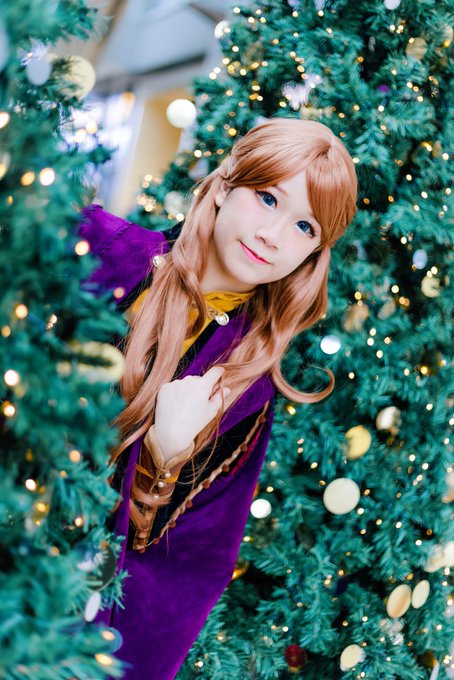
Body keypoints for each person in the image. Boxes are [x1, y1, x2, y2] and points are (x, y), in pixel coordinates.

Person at [77, 116, 358, 679]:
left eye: (304, 227)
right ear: (227, 184)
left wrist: (163, 458)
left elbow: (181, 566)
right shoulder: (104, 250)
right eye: (268, 198)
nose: (273, 235)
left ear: (314, 252)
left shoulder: (246, 389)